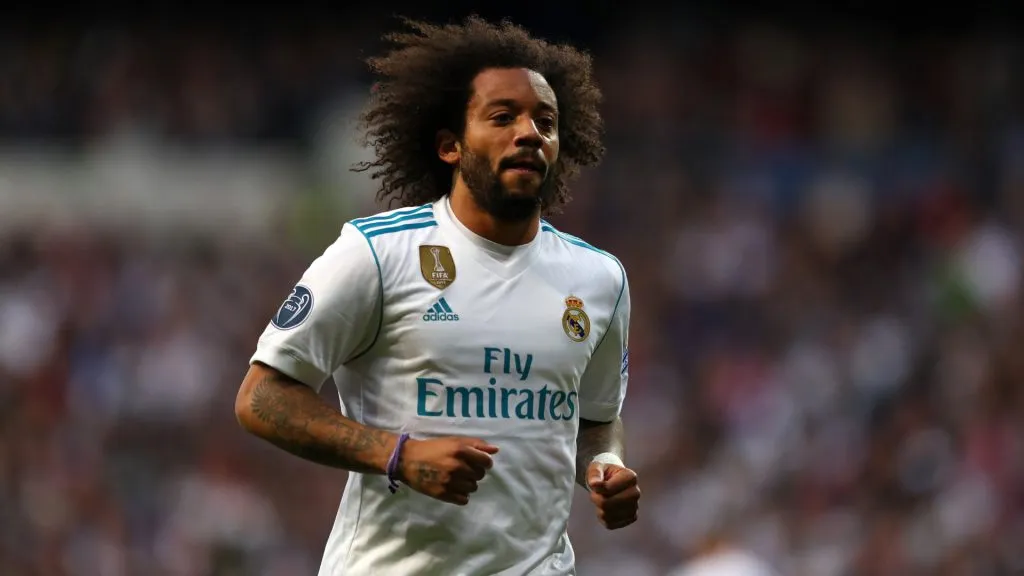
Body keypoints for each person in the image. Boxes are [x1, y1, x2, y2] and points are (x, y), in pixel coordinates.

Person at [234, 16, 640, 575]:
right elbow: (261, 398)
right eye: (503, 117)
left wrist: (605, 464)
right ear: (451, 145)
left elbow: (595, 417)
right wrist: (396, 455)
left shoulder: (599, 279)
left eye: (545, 122)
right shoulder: (377, 254)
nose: (529, 133)